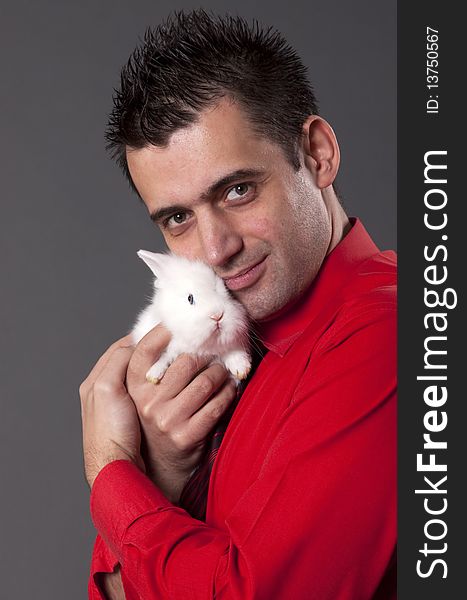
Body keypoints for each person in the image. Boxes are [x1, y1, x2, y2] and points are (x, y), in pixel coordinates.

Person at [80, 9, 396, 599]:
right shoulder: (224, 348)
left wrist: (113, 468)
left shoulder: (390, 332)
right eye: (178, 218)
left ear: (318, 154)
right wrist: (164, 476)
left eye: (238, 190)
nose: (216, 249)